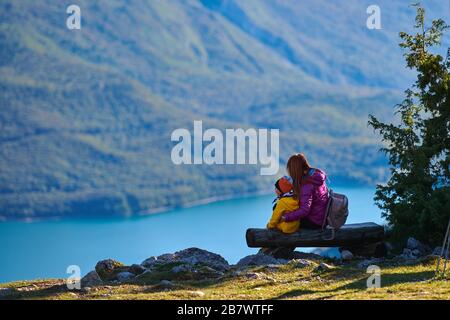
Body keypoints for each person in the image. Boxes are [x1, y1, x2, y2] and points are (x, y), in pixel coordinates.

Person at [280, 153, 329, 229]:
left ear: (294, 170)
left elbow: (304, 210)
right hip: (322, 218)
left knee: (280, 211)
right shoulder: (315, 175)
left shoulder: (307, 185)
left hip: (314, 222)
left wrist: (285, 217)